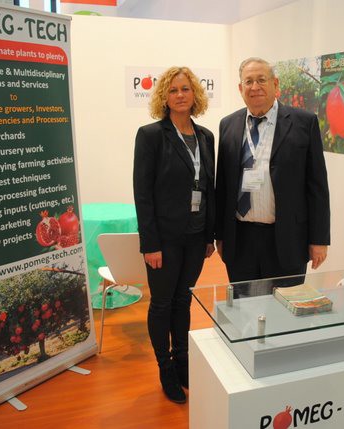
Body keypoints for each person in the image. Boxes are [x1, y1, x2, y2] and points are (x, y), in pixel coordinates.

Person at [133, 66, 215, 404]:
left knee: (184, 300)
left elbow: (209, 188)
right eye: (173, 90)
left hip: (195, 237)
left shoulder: (206, 137)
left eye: (185, 89)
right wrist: (150, 244)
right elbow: (143, 193)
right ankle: (165, 367)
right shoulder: (151, 135)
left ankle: (182, 361)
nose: (180, 95)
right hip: (164, 240)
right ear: (164, 97)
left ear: (195, 94)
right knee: (162, 303)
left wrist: (209, 236)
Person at [215, 57, 330, 288]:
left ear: (275, 84)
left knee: (283, 307)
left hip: (287, 239)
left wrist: (319, 239)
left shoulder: (303, 123)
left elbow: (317, 186)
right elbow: (223, 185)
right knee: (244, 305)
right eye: (248, 81)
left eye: (261, 80)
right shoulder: (228, 124)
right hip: (241, 239)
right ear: (240, 88)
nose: (255, 87)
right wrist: (220, 235)